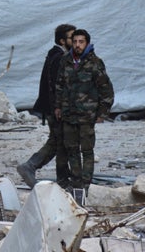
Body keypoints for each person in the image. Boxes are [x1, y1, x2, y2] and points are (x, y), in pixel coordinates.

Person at [55, 29, 114, 198]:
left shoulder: (95, 63)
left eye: (81, 42)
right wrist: (58, 106)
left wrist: (103, 111)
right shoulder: (66, 61)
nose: (77, 45)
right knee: (71, 150)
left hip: (87, 115)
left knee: (87, 151)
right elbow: (59, 86)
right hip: (68, 114)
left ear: (87, 43)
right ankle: (76, 183)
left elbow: (106, 88)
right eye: (75, 42)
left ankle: (86, 184)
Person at [17, 23, 76, 188]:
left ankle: (63, 177)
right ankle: (30, 166)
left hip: (53, 108)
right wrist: (60, 108)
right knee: (58, 141)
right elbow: (57, 87)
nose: (76, 41)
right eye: (72, 37)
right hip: (55, 109)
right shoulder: (58, 58)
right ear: (63, 40)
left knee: (60, 141)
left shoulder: (56, 55)